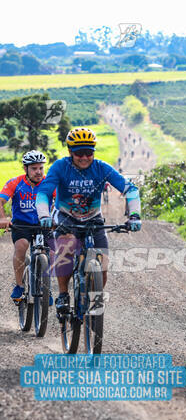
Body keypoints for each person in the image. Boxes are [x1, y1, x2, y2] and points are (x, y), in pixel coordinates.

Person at [36, 127, 142, 317]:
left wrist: (134, 215)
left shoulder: (101, 168)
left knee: (103, 267)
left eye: (89, 152)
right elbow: (43, 193)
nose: (84, 157)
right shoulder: (60, 167)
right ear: (70, 151)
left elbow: (131, 190)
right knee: (66, 248)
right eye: (79, 153)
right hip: (66, 216)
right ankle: (63, 295)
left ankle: (93, 301)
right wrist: (44, 216)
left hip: (93, 219)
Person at [0, 151, 54, 302]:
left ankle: (46, 288)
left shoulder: (49, 184)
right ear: (26, 169)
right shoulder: (15, 183)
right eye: (34, 168)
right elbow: (0, 201)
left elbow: (61, 202)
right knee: (21, 246)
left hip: (43, 224)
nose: (38, 172)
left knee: (49, 254)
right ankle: (19, 285)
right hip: (21, 225)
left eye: (41, 168)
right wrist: (3, 218)